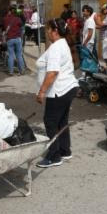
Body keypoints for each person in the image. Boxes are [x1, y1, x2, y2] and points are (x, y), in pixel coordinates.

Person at [35, 19, 79, 168]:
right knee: (61, 121)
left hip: (58, 90)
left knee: (50, 121)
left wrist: (42, 91)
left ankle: (54, 156)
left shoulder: (56, 48)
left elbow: (53, 72)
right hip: (68, 88)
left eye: (48, 29)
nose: (46, 32)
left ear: (55, 30)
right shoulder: (62, 44)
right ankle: (64, 150)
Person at [3, 7, 25, 75]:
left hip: (9, 39)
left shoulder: (5, 19)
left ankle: (11, 71)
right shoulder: (18, 19)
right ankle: (21, 71)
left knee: (11, 55)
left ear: (9, 11)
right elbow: (22, 26)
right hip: (17, 39)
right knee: (19, 55)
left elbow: (4, 28)